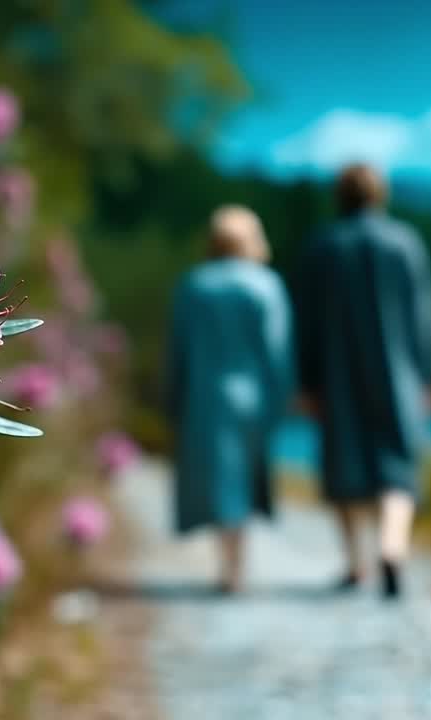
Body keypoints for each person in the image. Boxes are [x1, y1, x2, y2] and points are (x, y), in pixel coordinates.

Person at [294, 164, 431, 600]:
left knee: (342, 463)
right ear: (380, 195)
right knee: (397, 466)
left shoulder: (322, 247)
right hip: (398, 374)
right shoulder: (405, 243)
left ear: (339, 196)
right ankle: (392, 546)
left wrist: (307, 381)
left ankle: (355, 564)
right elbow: (424, 318)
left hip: (337, 376)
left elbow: (305, 324)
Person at [166, 205, 294, 594]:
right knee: (243, 476)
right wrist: (282, 397)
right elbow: (278, 350)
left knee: (219, 478)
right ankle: (237, 564)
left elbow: (178, 351)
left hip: (204, 395)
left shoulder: (194, 285)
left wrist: (173, 399)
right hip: (253, 395)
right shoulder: (267, 285)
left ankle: (227, 566)